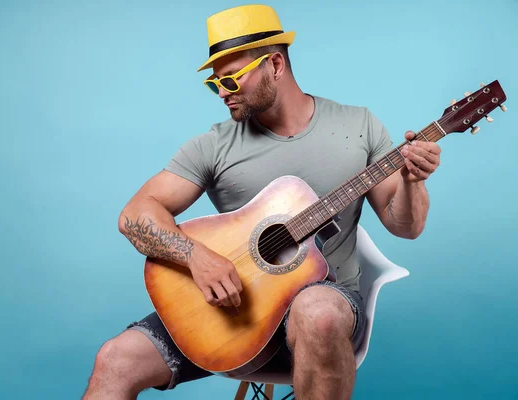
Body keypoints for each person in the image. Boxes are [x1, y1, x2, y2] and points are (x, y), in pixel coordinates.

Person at [83, 4, 441, 400]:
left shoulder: (358, 126)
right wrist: (197, 258)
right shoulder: (214, 144)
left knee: (316, 313)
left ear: (274, 64)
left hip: (327, 305)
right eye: (214, 84)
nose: (222, 93)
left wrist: (412, 181)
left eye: (231, 81)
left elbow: (406, 227)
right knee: (115, 359)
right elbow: (135, 214)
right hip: (234, 314)